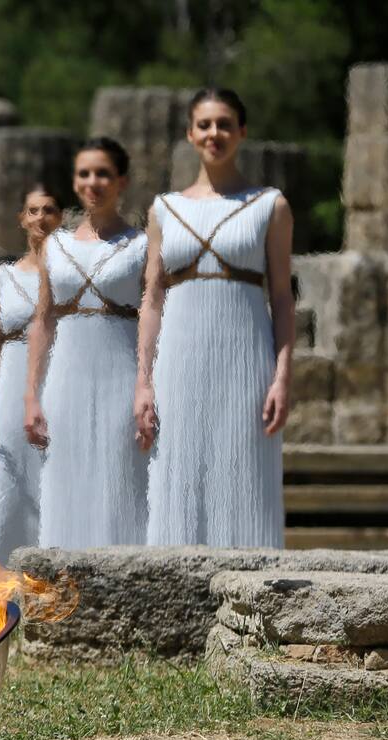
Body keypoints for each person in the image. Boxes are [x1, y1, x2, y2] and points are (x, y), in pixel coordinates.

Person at [135, 88, 294, 547]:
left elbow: (282, 299)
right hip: (179, 363)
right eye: (204, 125)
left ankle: (254, 604)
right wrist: (143, 380)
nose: (214, 133)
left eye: (225, 124)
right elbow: (152, 299)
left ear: (242, 132)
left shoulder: (270, 205)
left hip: (245, 361)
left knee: (245, 477)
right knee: (176, 475)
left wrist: (283, 376)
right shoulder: (164, 209)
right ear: (190, 134)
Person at [24, 140, 149, 547]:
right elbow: (42, 321)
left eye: (102, 174)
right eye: (84, 174)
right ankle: (60, 597)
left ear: (121, 181)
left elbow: (155, 318)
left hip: (121, 376)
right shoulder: (55, 246)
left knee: (120, 481)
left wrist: (148, 386)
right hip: (66, 379)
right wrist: (31, 396)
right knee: (65, 481)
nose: (92, 182)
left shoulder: (144, 245)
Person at [0, 186, 62, 565]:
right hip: (11, 384)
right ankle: (2, 579)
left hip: (57, 377)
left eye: (49, 210)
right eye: (33, 210)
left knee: (55, 480)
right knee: (11, 484)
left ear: (60, 218)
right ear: (21, 218)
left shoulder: (71, 273)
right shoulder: (1, 278)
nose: (40, 218)